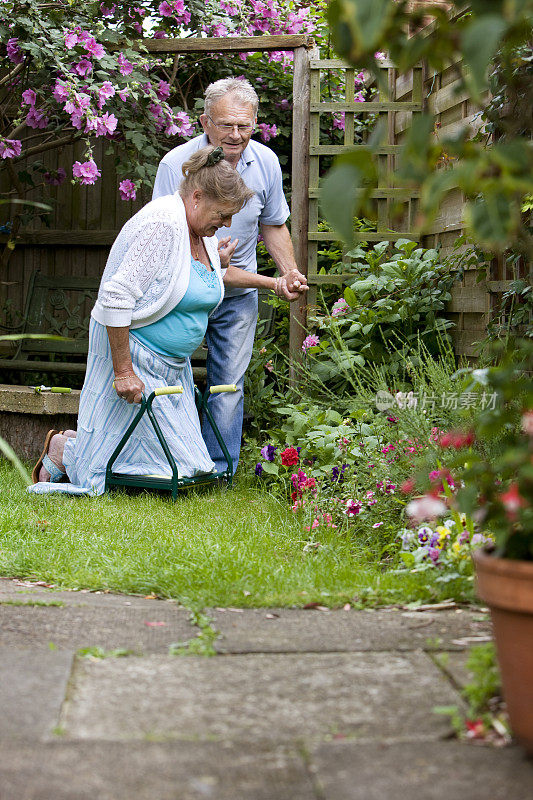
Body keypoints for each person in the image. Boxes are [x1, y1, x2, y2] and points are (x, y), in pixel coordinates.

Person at [29, 145, 305, 496]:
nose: (227, 224)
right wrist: (124, 371)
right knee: (142, 474)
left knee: (191, 472)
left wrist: (274, 283)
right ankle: (66, 453)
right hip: (133, 353)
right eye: (223, 214)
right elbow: (116, 297)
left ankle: (69, 447)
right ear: (197, 196)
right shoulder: (162, 224)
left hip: (171, 367)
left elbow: (205, 277)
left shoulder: (201, 232)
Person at [152, 77, 308, 474]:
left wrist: (288, 273)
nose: (235, 135)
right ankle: (171, 463)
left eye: (244, 125)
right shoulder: (176, 165)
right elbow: (163, 235)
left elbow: (273, 224)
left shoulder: (266, 162)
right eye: (225, 125)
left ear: (255, 123)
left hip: (236, 297)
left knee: (227, 387)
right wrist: (208, 261)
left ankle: (218, 471)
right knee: (171, 379)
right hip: (182, 294)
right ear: (205, 122)